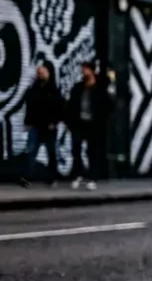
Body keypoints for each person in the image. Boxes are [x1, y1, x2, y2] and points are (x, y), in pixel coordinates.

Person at [67, 62, 112, 190]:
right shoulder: (78, 87)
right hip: (79, 123)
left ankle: (93, 178)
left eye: (85, 69)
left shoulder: (100, 88)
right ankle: (79, 174)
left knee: (92, 151)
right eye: (82, 69)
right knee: (76, 149)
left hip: (93, 124)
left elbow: (108, 105)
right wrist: (70, 121)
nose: (83, 72)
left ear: (92, 71)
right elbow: (71, 105)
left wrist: (100, 119)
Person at [22, 63, 64, 188]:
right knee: (31, 151)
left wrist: (54, 122)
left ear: (49, 73)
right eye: (39, 72)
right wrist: (27, 122)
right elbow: (30, 106)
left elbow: (59, 108)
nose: (40, 74)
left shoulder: (53, 89)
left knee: (51, 153)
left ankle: (52, 178)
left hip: (49, 127)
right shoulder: (34, 88)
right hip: (36, 125)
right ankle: (27, 178)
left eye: (42, 72)